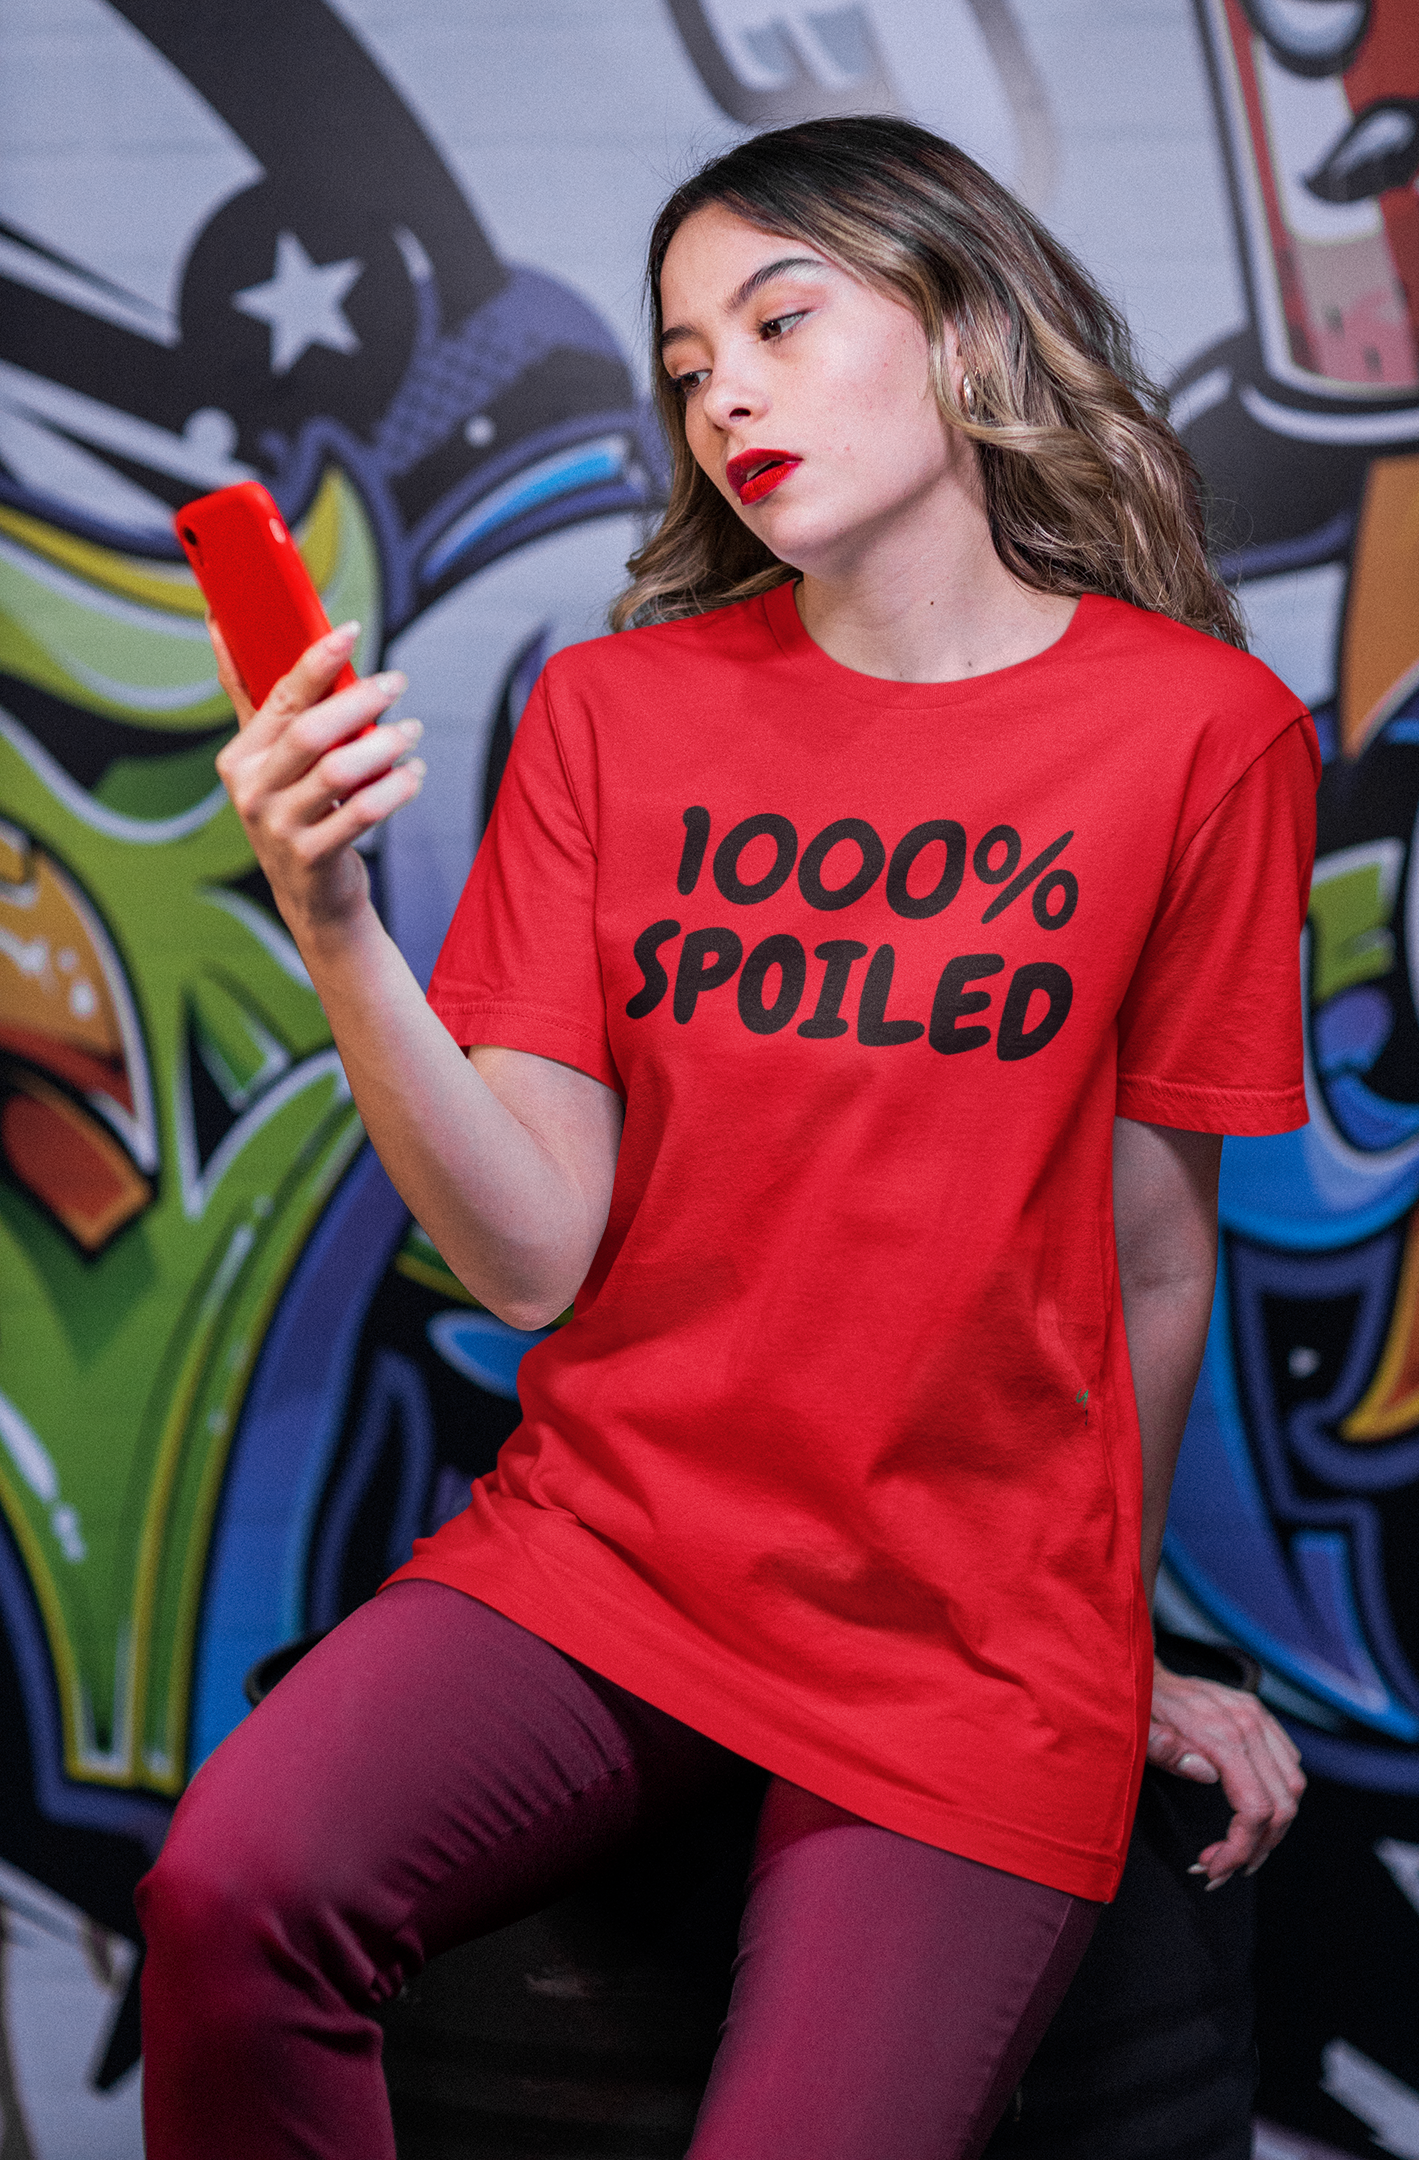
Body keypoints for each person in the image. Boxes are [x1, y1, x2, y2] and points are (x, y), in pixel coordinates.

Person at [136, 117, 1312, 2160]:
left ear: (964, 327)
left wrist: (1102, 1632)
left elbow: (1155, 1256)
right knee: (229, 1898)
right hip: (610, 1555)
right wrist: (332, 922)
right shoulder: (612, 715)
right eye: (687, 365)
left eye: (781, 322)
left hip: (968, 1638)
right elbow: (529, 1256)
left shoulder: (1202, 736)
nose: (726, 397)